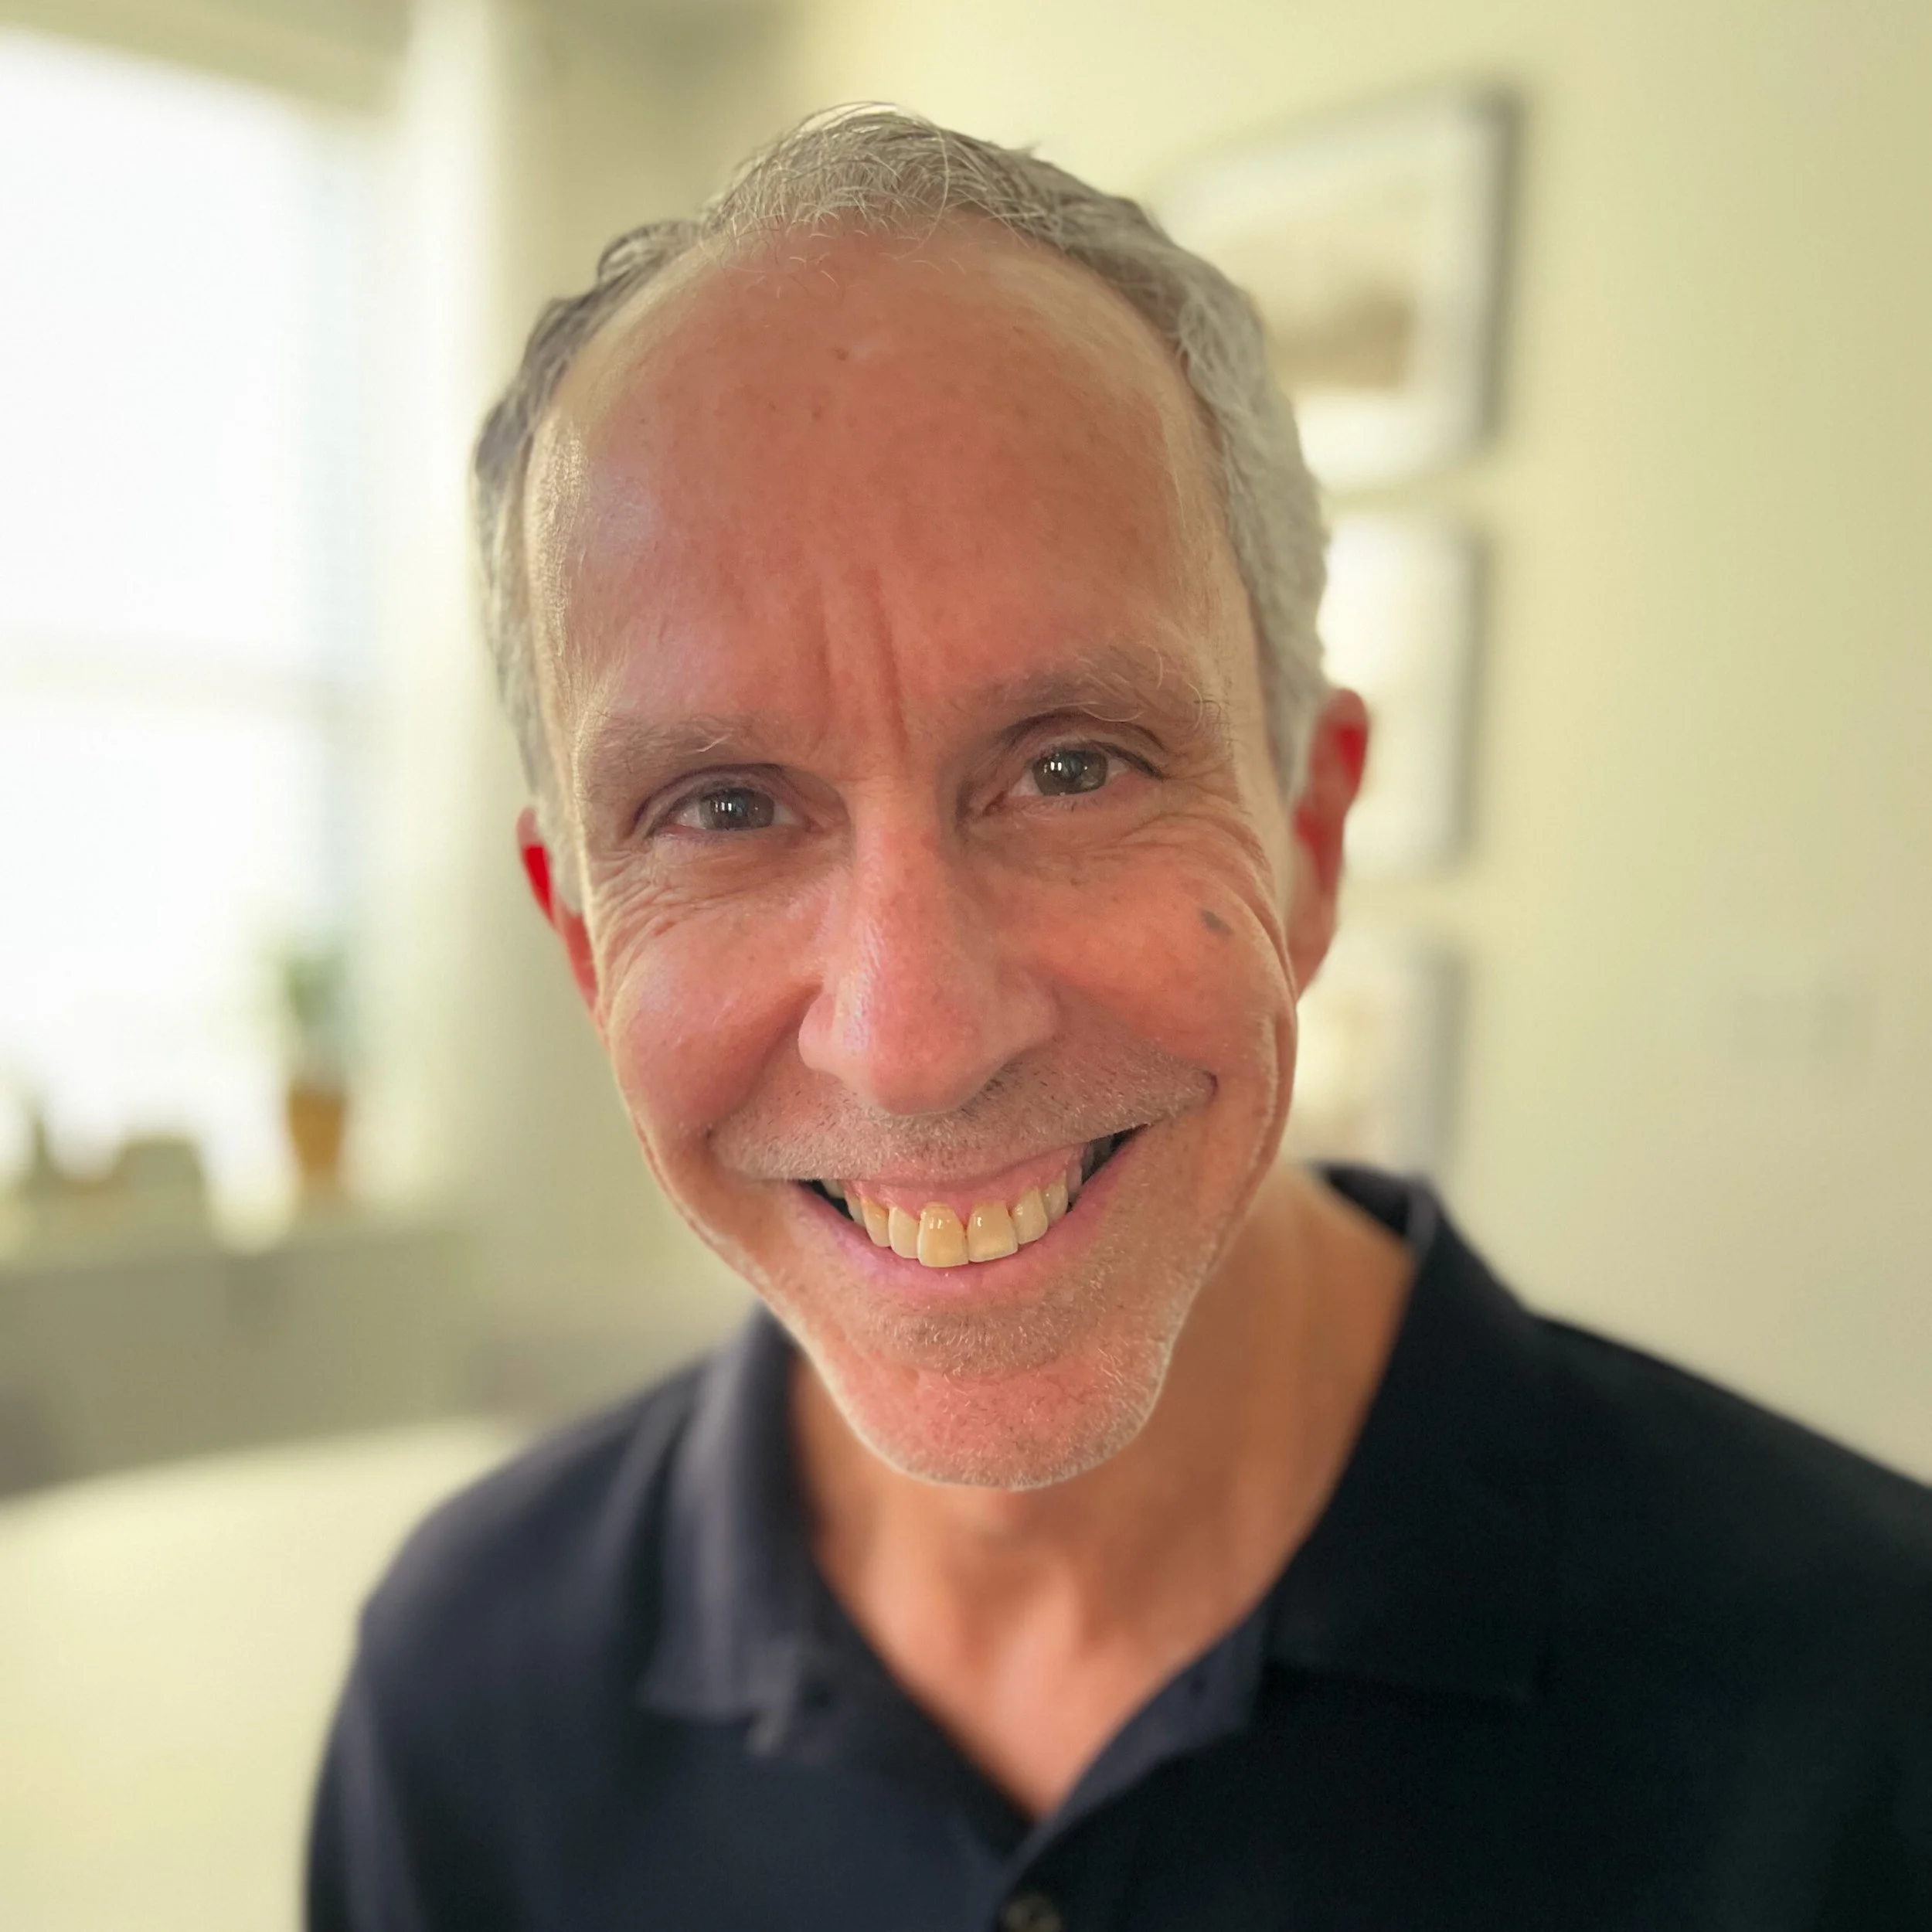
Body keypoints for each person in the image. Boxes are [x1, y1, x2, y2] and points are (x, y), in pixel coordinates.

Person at [308, 110, 1932, 1930]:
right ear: (589, 945)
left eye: (1070, 767)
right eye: (724, 807)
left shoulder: (1870, 1704)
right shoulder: (463, 1693)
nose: (915, 1036)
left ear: (1307, 837)